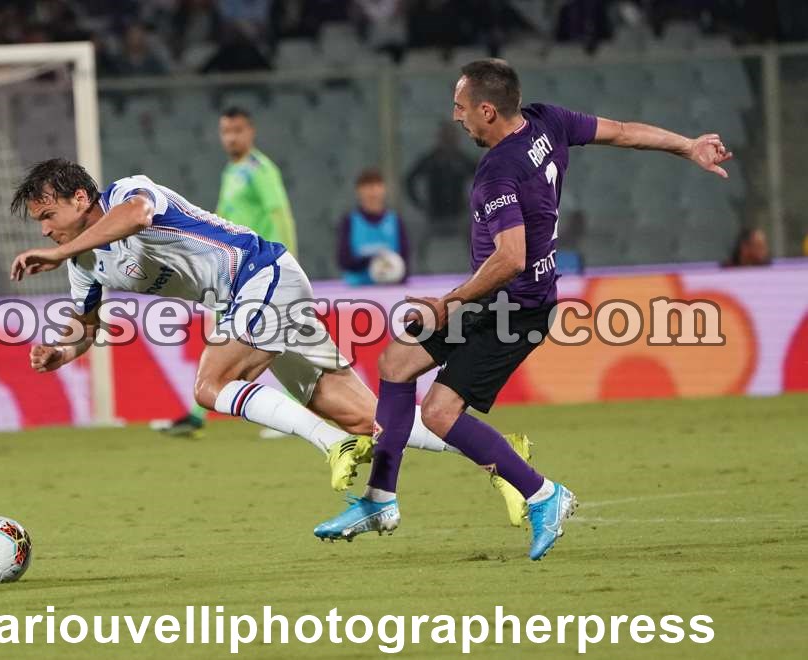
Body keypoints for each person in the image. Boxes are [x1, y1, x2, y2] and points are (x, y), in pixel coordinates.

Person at [313, 58, 733, 560]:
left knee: (440, 413)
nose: (456, 116)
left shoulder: (497, 173)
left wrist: (448, 304)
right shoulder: (546, 120)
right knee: (396, 362)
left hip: (516, 309)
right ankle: (380, 498)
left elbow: (511, 258)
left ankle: (543, 494)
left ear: (487, 110)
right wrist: (686, 145)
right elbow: (622, 132)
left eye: (461, 107)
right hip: (493, 298)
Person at [8, 159, 468, 495]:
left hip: (260, 274)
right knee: (367, 418)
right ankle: (494, 455)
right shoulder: (84, 264)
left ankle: (332, 444)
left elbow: (137, 217)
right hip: (255, 297)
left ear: (80, 198)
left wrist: (58, 253)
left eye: (48, 216)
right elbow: (85, 327)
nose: (45, 231)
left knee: (210, 385)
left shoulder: (127, 192)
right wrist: (60, 352)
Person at [161, 106, 298, 437]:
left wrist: (288, 262)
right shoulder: (231, 171)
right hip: (232, 271)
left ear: (251, 132)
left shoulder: (259, 170)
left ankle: (293, 412)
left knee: (280, 343)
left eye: (237, 131)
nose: (231, 138)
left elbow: (279, 214)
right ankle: (197, 415)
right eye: (226, 131)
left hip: (261, 270)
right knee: (226, 338)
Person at [404, 121, 476, 265]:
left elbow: (483, 177)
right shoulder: (431, 159)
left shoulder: (461, 159)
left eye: (451, 137)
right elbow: (409, 180)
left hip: (458, 214)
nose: (448, 141)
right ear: (439, 138)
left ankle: (477, 268)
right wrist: (419, 203)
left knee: (476, 239)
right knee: (419, 244)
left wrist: (473, 202)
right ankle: (419, 269)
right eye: (445, 137)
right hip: (434, 215)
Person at [338, 168, 410, 286]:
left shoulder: (395, 221)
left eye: (377, 185)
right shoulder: (350, 221)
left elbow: (405, 259)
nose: (373, 191)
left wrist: (393, 270)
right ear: (358, 191)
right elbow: (344, 260)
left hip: (391, 289)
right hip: (358, 289)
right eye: (367, 186)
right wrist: (372, 261)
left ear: (384, 189)